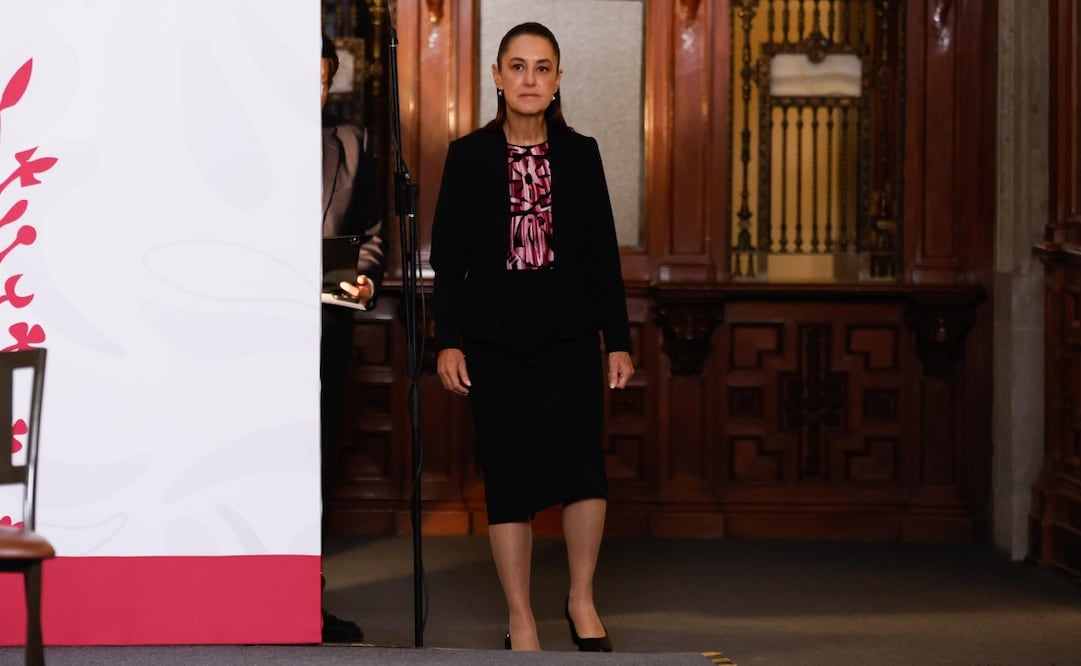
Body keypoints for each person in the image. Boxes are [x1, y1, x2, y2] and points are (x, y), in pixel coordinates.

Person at [430, 22, 634, 653]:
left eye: (542, 68)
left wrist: (618, 340)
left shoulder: (582, 153)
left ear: (557, 82)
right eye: (517, 67)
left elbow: (602, 254)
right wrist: (448, 340)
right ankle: (520, 615)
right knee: (508, 478)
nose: (529, 79)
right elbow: (451, 260)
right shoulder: (467, 156)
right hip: (494, 341)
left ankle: (580, 598)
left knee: (582, 472)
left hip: (569, 337)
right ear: (497, 76)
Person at [319, 31, 384, 644]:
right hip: (237, 343)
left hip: (321, 335)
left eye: (321, 78)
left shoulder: (349, 143)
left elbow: (367, 231)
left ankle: (302, 596)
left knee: (313, 468)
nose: (310, 90)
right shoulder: (232, 143)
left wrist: (361, 279)